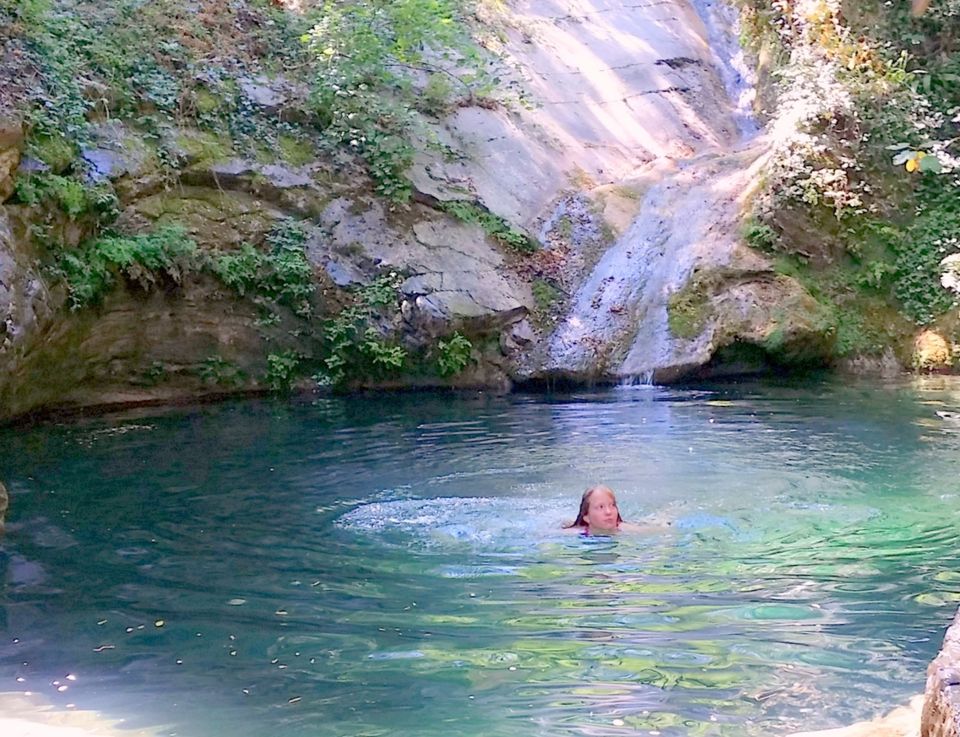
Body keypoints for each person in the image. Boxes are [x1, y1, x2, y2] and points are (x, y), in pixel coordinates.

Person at [563, 484, 663, 535]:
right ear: (586, 517)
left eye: (612, 505)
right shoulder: (575, 533)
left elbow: (658, 531)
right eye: (601, 507)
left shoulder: (625, 529)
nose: (608, 512)